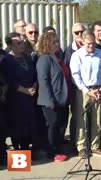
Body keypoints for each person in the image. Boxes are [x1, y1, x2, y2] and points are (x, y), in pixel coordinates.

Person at [70, 30, 101, 158]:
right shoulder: (77, 56)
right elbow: (76, 76)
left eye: (93, 44)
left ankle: (95, 146)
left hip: (98, 89)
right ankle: (82, 147)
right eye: (88, 44)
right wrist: (87, 91)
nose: (91, 46)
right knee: (82, 120)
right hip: (83, 91)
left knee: (97, 120)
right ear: (83, 42)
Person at [1, 32, 38, 151]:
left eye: (22, 42)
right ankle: (18, 161)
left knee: (27, 129)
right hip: (15, 100)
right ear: (11, 46)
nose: (21, 44)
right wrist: (25, 90)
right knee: (17, 130)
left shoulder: (27, 58)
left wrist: (34, 86)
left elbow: (34, 75)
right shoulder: (7, 61)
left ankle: (26, 152)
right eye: (18, 43)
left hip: (29, 98)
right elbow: (10, 81)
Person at [37, 32, 70, 162]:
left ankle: (58, 148)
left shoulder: (57, 57)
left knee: (61, 125)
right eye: (54, 42)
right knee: (52, 126)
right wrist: (49, 100)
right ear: (47, 44)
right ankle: (52, 152)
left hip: (62, 99)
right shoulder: (44, 59)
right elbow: (43, 81)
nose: (57, 44)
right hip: (50, 100)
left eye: (57, 41)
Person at [63, 22, 86, 150]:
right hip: (75, 89)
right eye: (77, 32)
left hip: (90, 89)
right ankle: (74, 143)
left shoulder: (91, 47)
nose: (79, 35)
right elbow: (66, 71)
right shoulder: (69, 50)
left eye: (82, 32)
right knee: (76, 118)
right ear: (73, 34)